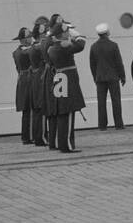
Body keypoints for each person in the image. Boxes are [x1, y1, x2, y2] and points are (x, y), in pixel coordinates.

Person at [46, 21, 88, 152]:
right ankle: (67, 146)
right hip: (67, 79)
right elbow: (81, 44)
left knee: (61, 113)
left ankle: (60, 143)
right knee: (68, 112)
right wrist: (76, 35)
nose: (67, 34)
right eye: (65, 32)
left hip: (59, 79)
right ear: (61, 34)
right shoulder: (63, 47)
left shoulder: (52, 48)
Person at [88, 22, 125, 130]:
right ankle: (119, 124)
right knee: (116, 101)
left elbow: (92, 64)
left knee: (101, 102)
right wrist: (122, 76)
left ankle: (102, 125)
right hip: (113, 77)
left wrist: (95, 77)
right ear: (107, 32)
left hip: (100, 78)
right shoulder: (113, 45)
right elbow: (119, 62)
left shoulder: (94, 46)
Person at [13, 28, 35, 144]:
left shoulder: (16, 52)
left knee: (26, 111)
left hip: (22, 80)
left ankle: (26, 135)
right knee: (30, 109)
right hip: (28, 80)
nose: (31, 39)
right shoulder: (25, 51)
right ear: (25, 39)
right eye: (29, 37)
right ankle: (30, 136)